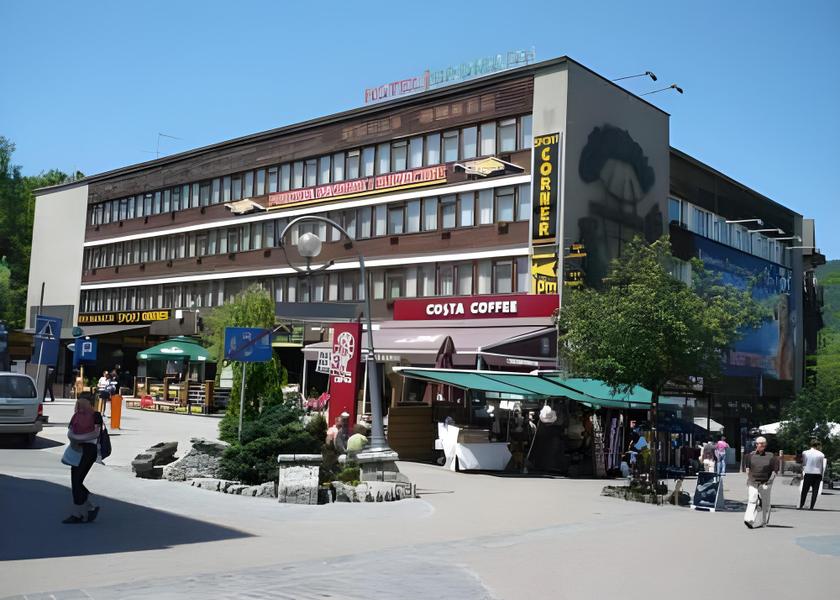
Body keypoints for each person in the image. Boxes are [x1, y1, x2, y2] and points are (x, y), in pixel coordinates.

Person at [63, 393, 102, 524]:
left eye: (82, 402)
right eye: (78, 402)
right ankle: (89, 507)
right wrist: (75, 439)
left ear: (89, 403)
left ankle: (79, 513)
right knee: (76, 481)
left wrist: (79, 438)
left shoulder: (96, 415)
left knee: (76, 481)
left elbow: (95, 433)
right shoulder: (76, 415)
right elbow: (70, 432)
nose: (79, 405)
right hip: (76, 449)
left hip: (89, 451)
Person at [744, 436, 779, 529]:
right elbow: (747, 469)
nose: (760, 445)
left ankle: (763, 521)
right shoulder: (749, 456)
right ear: (755, 444)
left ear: (765, 444)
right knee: (752, 499)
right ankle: (749, 519)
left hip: (766, 483)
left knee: (764, 503)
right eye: (758, 443)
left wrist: (769, 481)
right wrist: (750, 478)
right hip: (753, 482)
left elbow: (775, 471)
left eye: (762, 443)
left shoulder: (771, 456)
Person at [799, 439, 826, 510]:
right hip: (817, 473)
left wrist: (802, 473)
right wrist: (822, 475)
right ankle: (811, 507)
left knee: (805, 490)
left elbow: (803, 463)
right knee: (815, 491)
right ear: (817, 446)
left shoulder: (805, 452)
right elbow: (821, 466)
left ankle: (801, 505)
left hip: (808, 473)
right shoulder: (821, 454)